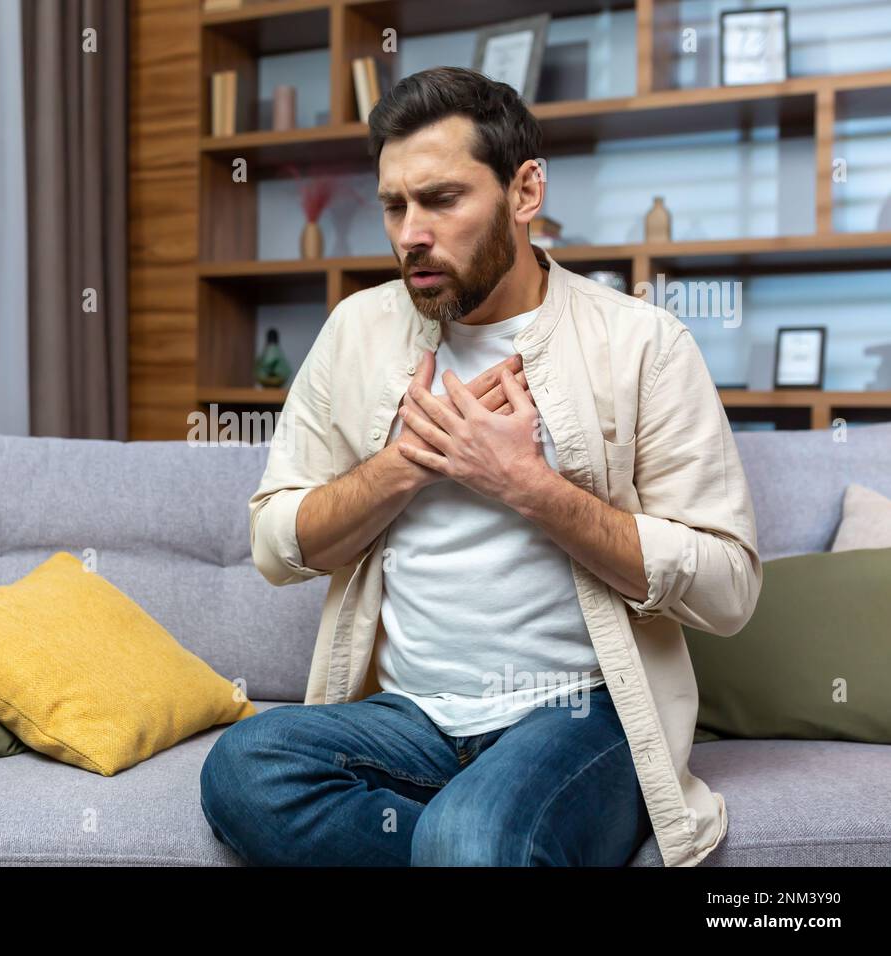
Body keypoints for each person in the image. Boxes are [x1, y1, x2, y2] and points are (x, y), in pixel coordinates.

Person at [199, 66, 762, 867]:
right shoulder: (355, 333)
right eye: (395, 205)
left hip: (575, 714)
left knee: (471, 837)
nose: (409, 234)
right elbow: (275, 545)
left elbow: (730, 587)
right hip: (408, 720)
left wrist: (528, 486)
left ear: (524, 190)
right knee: (244, 768)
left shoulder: (643, 344)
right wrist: (408, 463)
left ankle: (465, 839)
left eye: (441, 199)